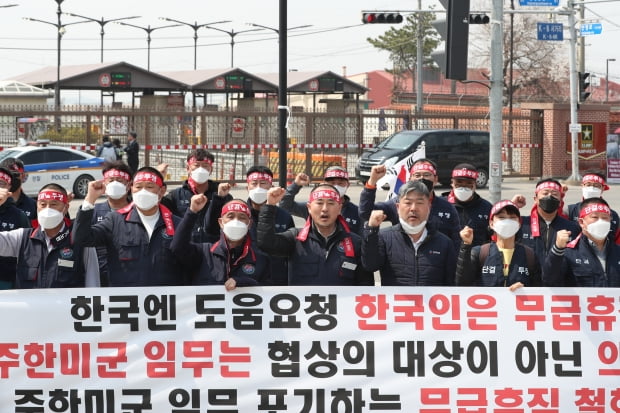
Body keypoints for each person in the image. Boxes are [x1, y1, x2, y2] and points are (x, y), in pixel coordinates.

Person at [72, 167, 190, 287]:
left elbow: (189, 264)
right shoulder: (115, 220)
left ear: (162, 190)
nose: (143, 192)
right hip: (125, 302)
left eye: (149, 187)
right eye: (138, 187)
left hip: (166, 301)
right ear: (131, 188)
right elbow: (81, 239)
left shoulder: (178, 224)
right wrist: (89, 200)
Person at [257, 184, 374, 286]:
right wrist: (270, 206)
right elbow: (266, 243)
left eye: (331, 203)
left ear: (339, 208)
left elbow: (365, 284)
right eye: (319, 203)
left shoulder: (355, 243)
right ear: (309, 208)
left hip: (342, 310)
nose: (324, 209)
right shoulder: (295, 238)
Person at [0, 183, 99, 288]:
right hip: (31, 303)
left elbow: (92, 282)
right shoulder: (22, 238)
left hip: (66, 304)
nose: (47, 209)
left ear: (65, 208)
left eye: (54, 204)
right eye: (43, 204)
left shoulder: (80, 240)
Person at [362, 180, 456, 286]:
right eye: (407, 203)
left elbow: (451, 284)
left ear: (429, 207)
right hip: (395, 302)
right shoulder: (384, 237)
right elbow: (370, 265)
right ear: (397, 207)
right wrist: (371, 230)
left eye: (420, 203)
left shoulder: (444, 243)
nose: (413, 208)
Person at [359, 159, 461, 249]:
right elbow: (366, 213)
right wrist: (372, 182)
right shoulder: (398, 203)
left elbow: (456, 243)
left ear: (435, 179)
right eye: (417, 175)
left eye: (427, 175)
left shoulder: (447, 207)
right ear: (410, 179)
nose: (422, 178)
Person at [172, 197, 270, 289]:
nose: (236, 221)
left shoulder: (261, 260)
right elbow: (177, 247)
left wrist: (244, 283)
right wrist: (192, 212)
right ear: (221, 222)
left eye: (242, 217)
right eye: (230, 216)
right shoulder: (203, 253)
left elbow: (269, 293)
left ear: (249, 224)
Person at [456, 200, 541, 290]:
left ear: (519, 224)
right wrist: (466, 245)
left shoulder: (529, 255)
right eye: (502, 217)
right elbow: (462, 284)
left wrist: (525, 290)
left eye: (512, 218)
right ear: (491, 223)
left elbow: (539, 288)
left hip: (517, 303)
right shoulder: (480, 253)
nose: (507, 222)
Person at [543, 198, 620, 287]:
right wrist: (557, 249)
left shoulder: (617, 251)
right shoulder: (569, 253)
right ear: (581, 222)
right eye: (595, 217)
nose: (601, 222)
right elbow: (549, 280)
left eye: (605, 218)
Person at [161, 149, 232, 243]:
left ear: (211, 169)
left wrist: (219, 198)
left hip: (213, 248)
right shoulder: (176, 196)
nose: (201, 169)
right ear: (188, 168)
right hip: (185, 247)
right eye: (197, 165)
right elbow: (156, 207)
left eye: (205, 166)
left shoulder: (222, 195)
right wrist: (158, 178)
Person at [280, 166, 362, 234]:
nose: (336, 186)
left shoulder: (357, 212)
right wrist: (296, 185)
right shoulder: (314, 207)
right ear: (324, 184)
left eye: (340, 183)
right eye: (332, 183)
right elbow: (285, 205)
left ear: (348, 185)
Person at [90, 162, 133, 287]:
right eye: (111, 180)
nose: (115, 184)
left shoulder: (138, 210)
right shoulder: (93, 211)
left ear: (129, 185)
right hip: (100, 277)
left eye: (120, 180)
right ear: (104, 183)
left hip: (130, 275)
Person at [518, 179, 579, 262]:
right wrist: (512, 206)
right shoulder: (522, 224)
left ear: (560, 201)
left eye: (554, 194)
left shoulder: (571, 228)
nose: (550, 196)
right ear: (535, 199)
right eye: (545, 193)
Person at [441, 163, 493, 246]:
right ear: (452, 183)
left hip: (476, 256)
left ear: (475, 184)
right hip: (447, 256)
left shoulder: (486, 208)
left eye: (469, 183)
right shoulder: (441, 205)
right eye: (459, 183)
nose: (463, 187)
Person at [0, 167, 31, 289]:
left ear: (9, 188)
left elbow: (28, 249)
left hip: (6, 278)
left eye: (2, 183)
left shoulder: (19, 215)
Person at [566, 172, 619, 237]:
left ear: (603, 189)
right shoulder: (570, 210)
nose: (592, 188)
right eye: (588, 185)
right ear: (582, 186)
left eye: (596, 185)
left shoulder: (612, 215)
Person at [0, 158, 37, 223]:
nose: (11, 178)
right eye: (7, 175)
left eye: (14, 174)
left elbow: (36, 231)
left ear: (23, 175)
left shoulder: (33, 205)